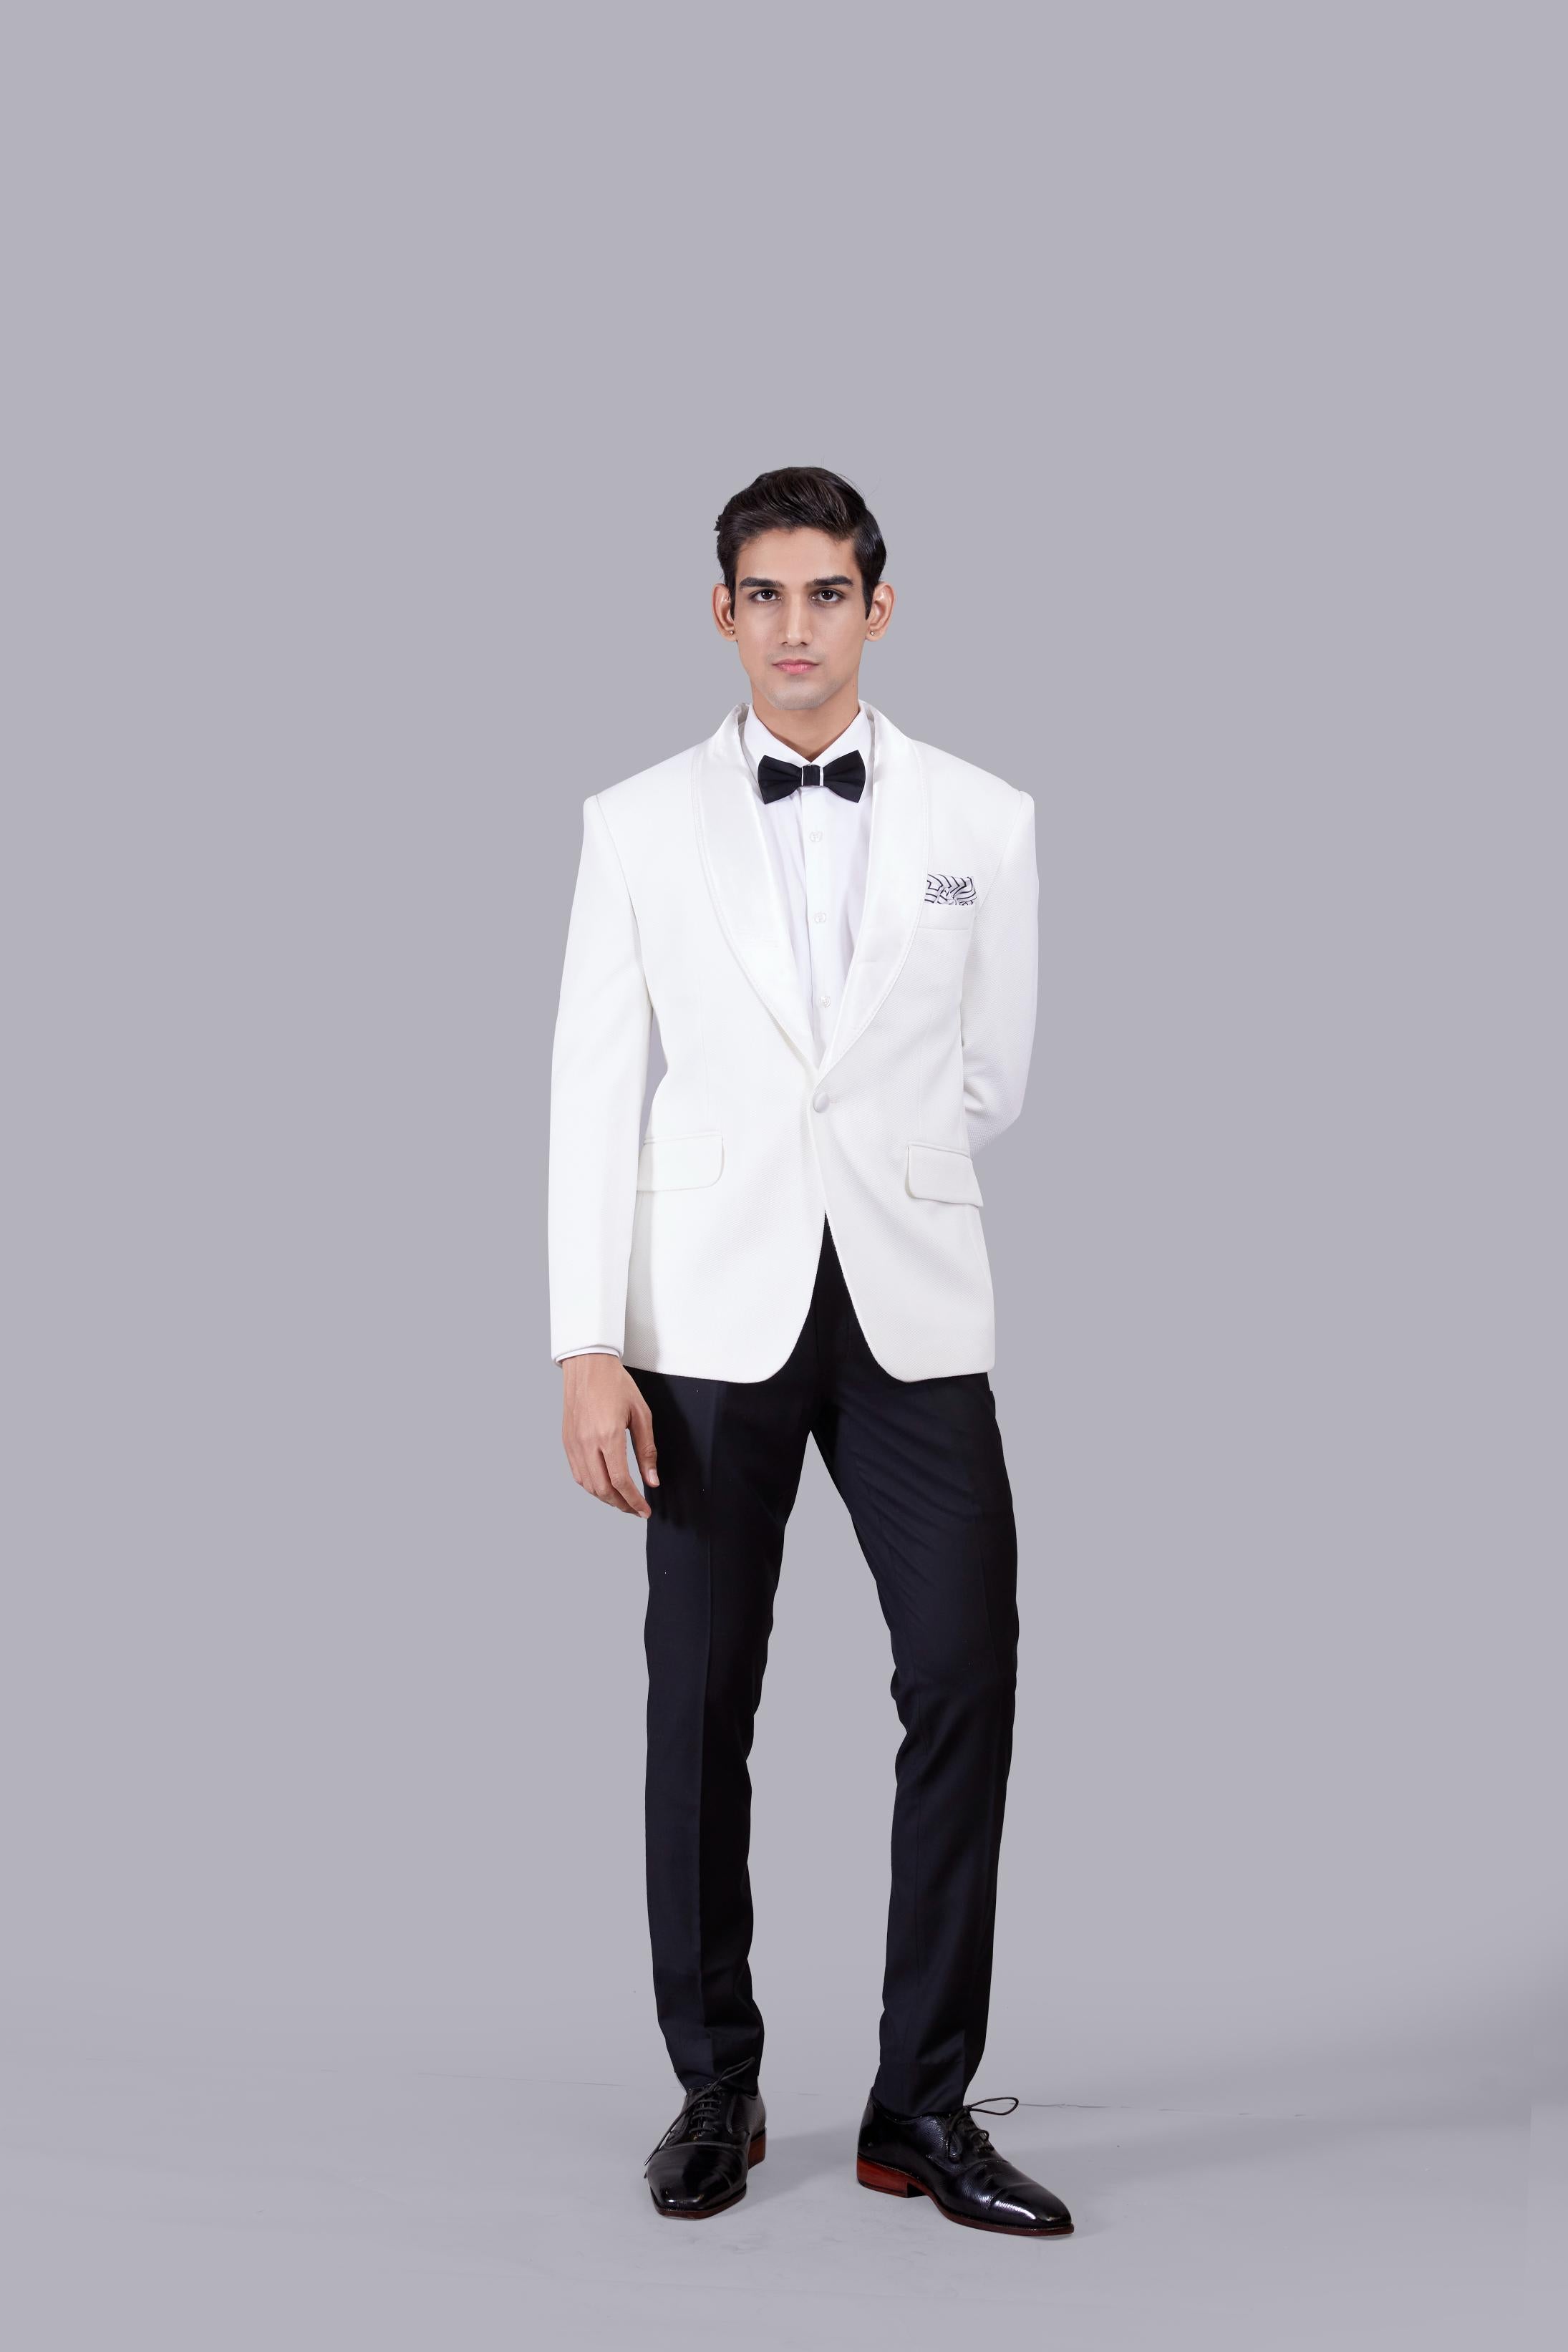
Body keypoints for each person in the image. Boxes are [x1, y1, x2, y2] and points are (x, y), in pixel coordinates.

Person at [547, 466, 1072, 2236]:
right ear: (723, 613)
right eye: (763, 595)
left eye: (825, 593)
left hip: (912, 1300)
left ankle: (919, 2105)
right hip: (702, 1311)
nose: (794, 626)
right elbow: (590, 1091)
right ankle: (717, 2084)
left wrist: (873, 1154)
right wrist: (585, 1340)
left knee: (967, 1668)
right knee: (700, 1697)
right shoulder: (634, 822)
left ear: (877, 607)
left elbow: (992, 1073)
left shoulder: (986, 816)